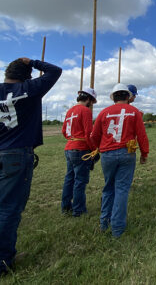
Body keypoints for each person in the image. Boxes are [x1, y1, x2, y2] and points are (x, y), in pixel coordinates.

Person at [0, 58, 62, 276]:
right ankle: (0, 264)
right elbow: (55, 71)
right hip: (16, 155)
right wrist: (33, 61)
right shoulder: (30, 89)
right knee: (8, 210)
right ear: (27, 75)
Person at [90, 83, 149, 238]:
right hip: (127, 154)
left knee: (109, 187)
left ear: (114, 97)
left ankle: (104, 223)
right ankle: (117, 229)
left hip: (107, 154)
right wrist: (144, 154)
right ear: (127, 96)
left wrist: (95, 148)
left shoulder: (104, 112)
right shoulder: (134, 112)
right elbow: (141, 135)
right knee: (122, 189)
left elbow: (94, 135)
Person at [61, 87, 97, 217]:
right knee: (80, 181)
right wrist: (94, 149)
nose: (91, 104)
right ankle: (78, 210)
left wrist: (72, 139)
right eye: (92, 101)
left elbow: (64, 131)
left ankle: (65, 207)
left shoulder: (70, 111)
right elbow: (88, 133)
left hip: (69, 148)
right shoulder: (85, 111)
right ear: (88, 99)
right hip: (81, 149)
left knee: (69, 179)